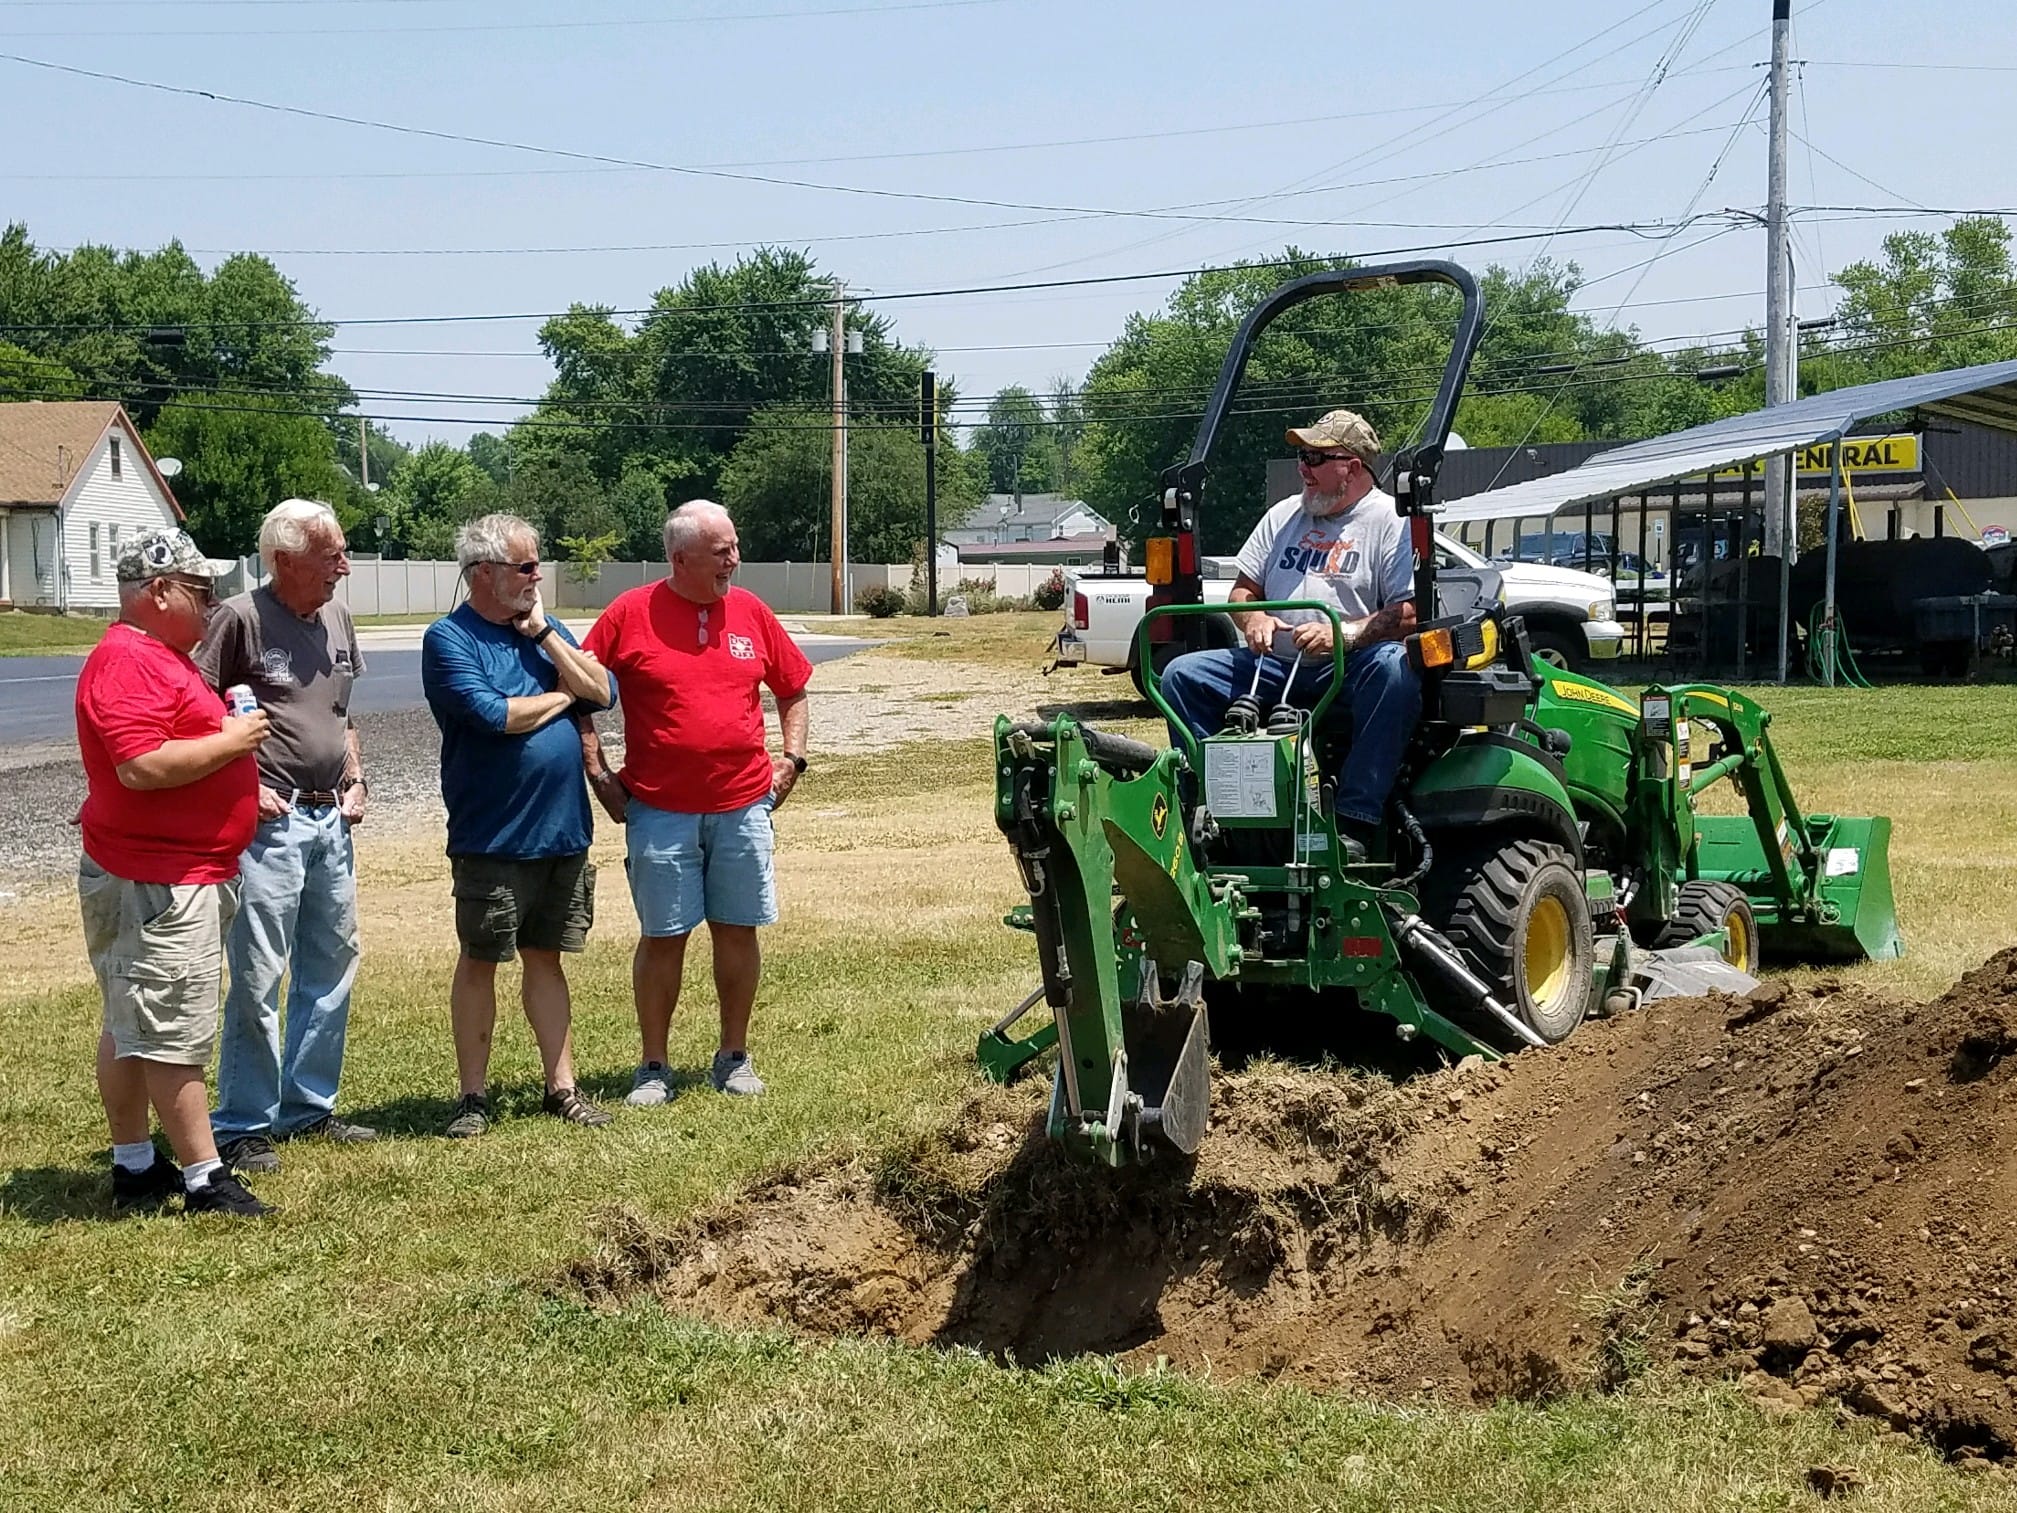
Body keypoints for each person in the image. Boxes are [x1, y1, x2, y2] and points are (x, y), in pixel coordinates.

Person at [580, 500, 812, 1105]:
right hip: (659, 809)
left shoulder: (752, 613)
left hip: (742, 805)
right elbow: (576, 690)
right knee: (664, 935)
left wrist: (792, 760)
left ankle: (733, 1057)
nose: (734, 560)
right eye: (722, 551)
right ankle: (653, 1066)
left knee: (738, 931)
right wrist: (598, 772)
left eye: (734, 547)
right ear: (679, 558)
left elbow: (793, 688)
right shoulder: (630, 614)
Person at [75, 529, 274, 1217]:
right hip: (158, 876)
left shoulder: (159, 656)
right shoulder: (130, 660)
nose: (213, 603)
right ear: (158, 591)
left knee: (132, 1018)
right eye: (200, 590)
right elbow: (141, 764)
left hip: (164, 868)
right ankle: (202, 1177)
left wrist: (240, 774)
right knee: (169, 1028)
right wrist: (234, 741)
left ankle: (135, 1165)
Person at [420, 513, 617, 1138]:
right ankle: (472, 1098)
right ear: (483, 573)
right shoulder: (450, 639)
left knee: (547, 958)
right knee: (481, 959)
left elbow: (604, 690)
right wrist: (563, 697)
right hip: (492, 835)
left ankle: (562, 1088)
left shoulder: (543, 629)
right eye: (526, 567)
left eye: (538, 564)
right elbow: (493, 714)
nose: (539, 576)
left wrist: (548, 641)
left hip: (562, 831)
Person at [1158, 408, 1421, 862]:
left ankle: (1355, 818)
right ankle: (1210, 806)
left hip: (1346, 667)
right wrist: (1253, 619)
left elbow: (1409, 611)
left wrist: (1346, 633)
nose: (1303, 468)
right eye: (1301, 456)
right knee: (1182, 675)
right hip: (1273, 665)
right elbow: (1243, 590)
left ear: (1352, 467)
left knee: (1396, 669)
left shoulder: (1389, 522)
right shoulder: (1284, 515)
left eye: (1316, 459)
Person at [196, 499, 372, 1174]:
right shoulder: (237, 618)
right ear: (284, 559)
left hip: (331, 819)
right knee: (259, 972)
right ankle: (242, 1123)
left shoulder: (336, 618)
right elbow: (198, 709)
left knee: (330, 965)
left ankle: (309, 1106)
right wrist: (241, 784)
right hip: (267, 824)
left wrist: (356, 777)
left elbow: (340, 714)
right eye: (331, 556)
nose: (344, 569)